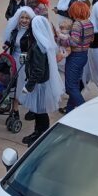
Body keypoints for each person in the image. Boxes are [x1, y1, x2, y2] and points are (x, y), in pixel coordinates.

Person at [17, 15, 65, 145]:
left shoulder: (38, 47)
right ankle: (39, 132)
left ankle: (40, 134)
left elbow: (38, 70)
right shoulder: (45, 43)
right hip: (43, 82)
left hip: (39, 84)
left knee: (40, 111)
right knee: (39, 110)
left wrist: (28, 86)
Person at [59, 1, 93, 113]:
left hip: (75, 56)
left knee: (71, 86)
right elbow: (91, 39)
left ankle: (84, 110)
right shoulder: (89, 23)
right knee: (75, 84)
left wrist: (62, 39)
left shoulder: (77, 24)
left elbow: (73, 42)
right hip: (84, 55)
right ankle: (69, 110)